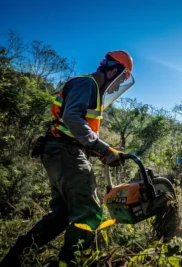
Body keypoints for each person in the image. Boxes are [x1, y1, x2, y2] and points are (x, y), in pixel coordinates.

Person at [0, 50, 135, 267]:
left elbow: (73, 127)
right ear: (112, 71)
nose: (118, 86)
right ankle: (69, 263)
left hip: (61, 151)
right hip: (65, 152)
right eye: (120, 80)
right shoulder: (87, 85)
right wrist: (103, 148)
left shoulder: (87, 86)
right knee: (89, 212)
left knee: (61, 215)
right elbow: (72, 118)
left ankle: (15, 258)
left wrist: (97, 151)